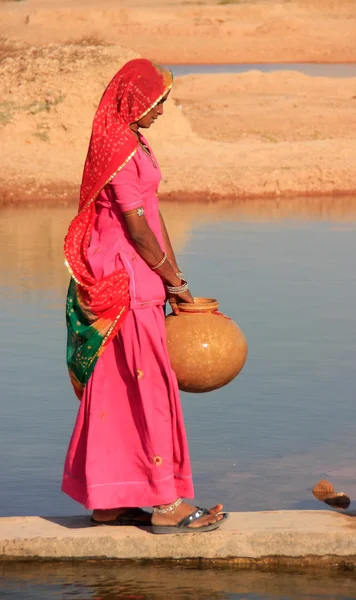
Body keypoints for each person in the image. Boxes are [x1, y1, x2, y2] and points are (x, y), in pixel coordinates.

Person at [62, 59, 226, 533]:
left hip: (141, 279)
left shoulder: (134, 141)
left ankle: (111, 501)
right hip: (125, 282)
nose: (160, 111)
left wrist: (178, 282)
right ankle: (165, 502)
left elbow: (154, 216)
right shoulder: (119, 147)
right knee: (148, 388)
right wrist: (170, 280)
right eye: (156, 102)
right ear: (135, 99)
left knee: (118, 388)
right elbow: (135, 227)